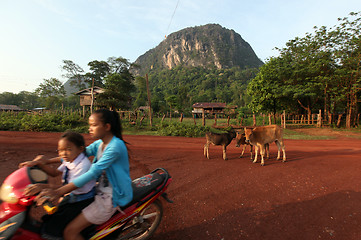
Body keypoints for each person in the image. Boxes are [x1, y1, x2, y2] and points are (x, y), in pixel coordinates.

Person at [36, 109, 133, 240]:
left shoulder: (115, 146)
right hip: (99, 190)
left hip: (111, 197)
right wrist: (46, 161)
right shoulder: (101, 143)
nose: (90, 128)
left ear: (107, 127)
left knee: (70, 232)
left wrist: (58, 191)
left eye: (93, 125)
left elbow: (93, 172)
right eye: (90, 125)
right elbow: (75, 154)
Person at [20, 131, 96, 239]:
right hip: (71, 197)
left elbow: (69, 187)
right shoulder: (70, 160)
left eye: (68, 149)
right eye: (60, 150)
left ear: (81, 148)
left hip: (81, 201)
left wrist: (44, 187)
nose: (63, 153)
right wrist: (39, 165)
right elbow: (54, 173)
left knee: (54, 229)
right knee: (49, 219)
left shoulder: (83, 165)